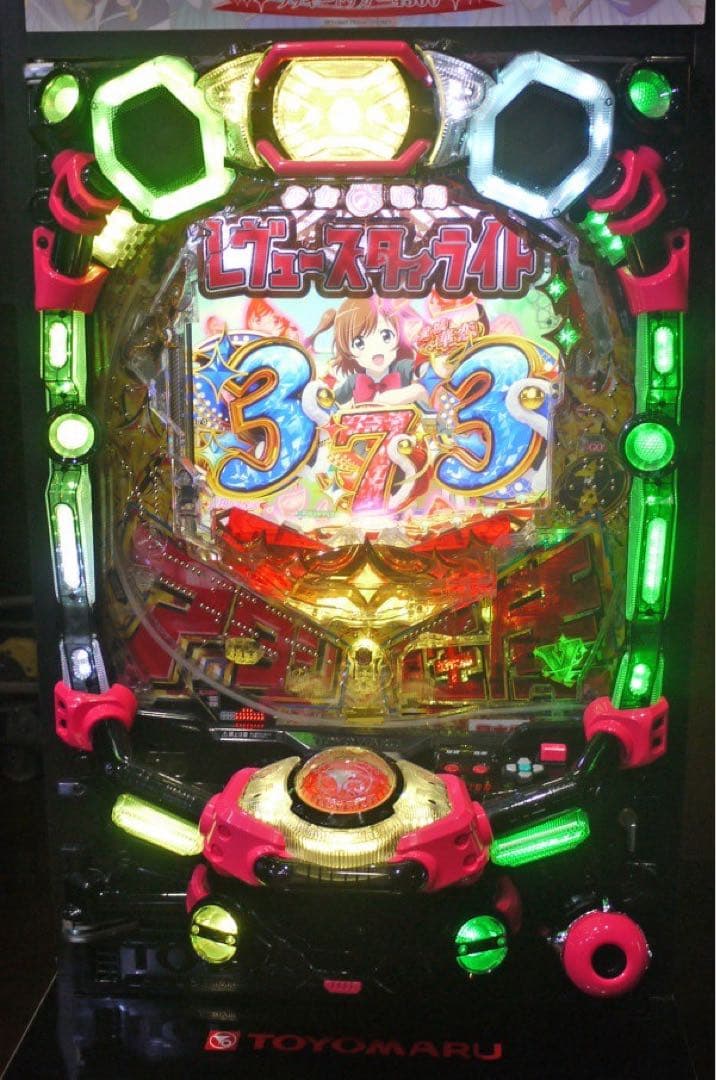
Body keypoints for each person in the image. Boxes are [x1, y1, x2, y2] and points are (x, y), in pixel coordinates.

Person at [307, 296, 428, 408]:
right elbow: (331, 401)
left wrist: (415, 391)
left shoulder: (403, 368)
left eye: (386, 336)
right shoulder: (355, 380)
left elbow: (426, 374)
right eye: (359, 343)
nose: (375, 349)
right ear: (348, 351)